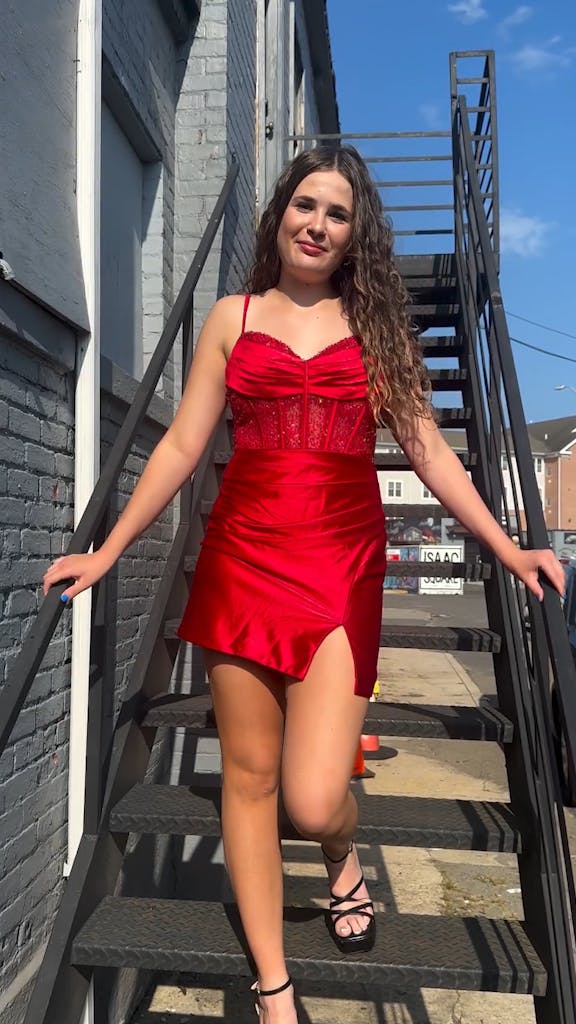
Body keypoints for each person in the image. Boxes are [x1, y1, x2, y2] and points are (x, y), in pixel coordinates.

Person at [43, 145, 564, 1023]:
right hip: (242, 558)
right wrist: (107, 550)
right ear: (280, 213)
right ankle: (275, 987)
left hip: (340, 564)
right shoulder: (232, 318)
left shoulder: (376, 330)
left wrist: (509, 547)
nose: (317, 225)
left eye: (338, 214)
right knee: (248, 779)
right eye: (306, 206)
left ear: (356, 235)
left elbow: (431, 453)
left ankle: (339, 857)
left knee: (315, 797)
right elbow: (183, 445)